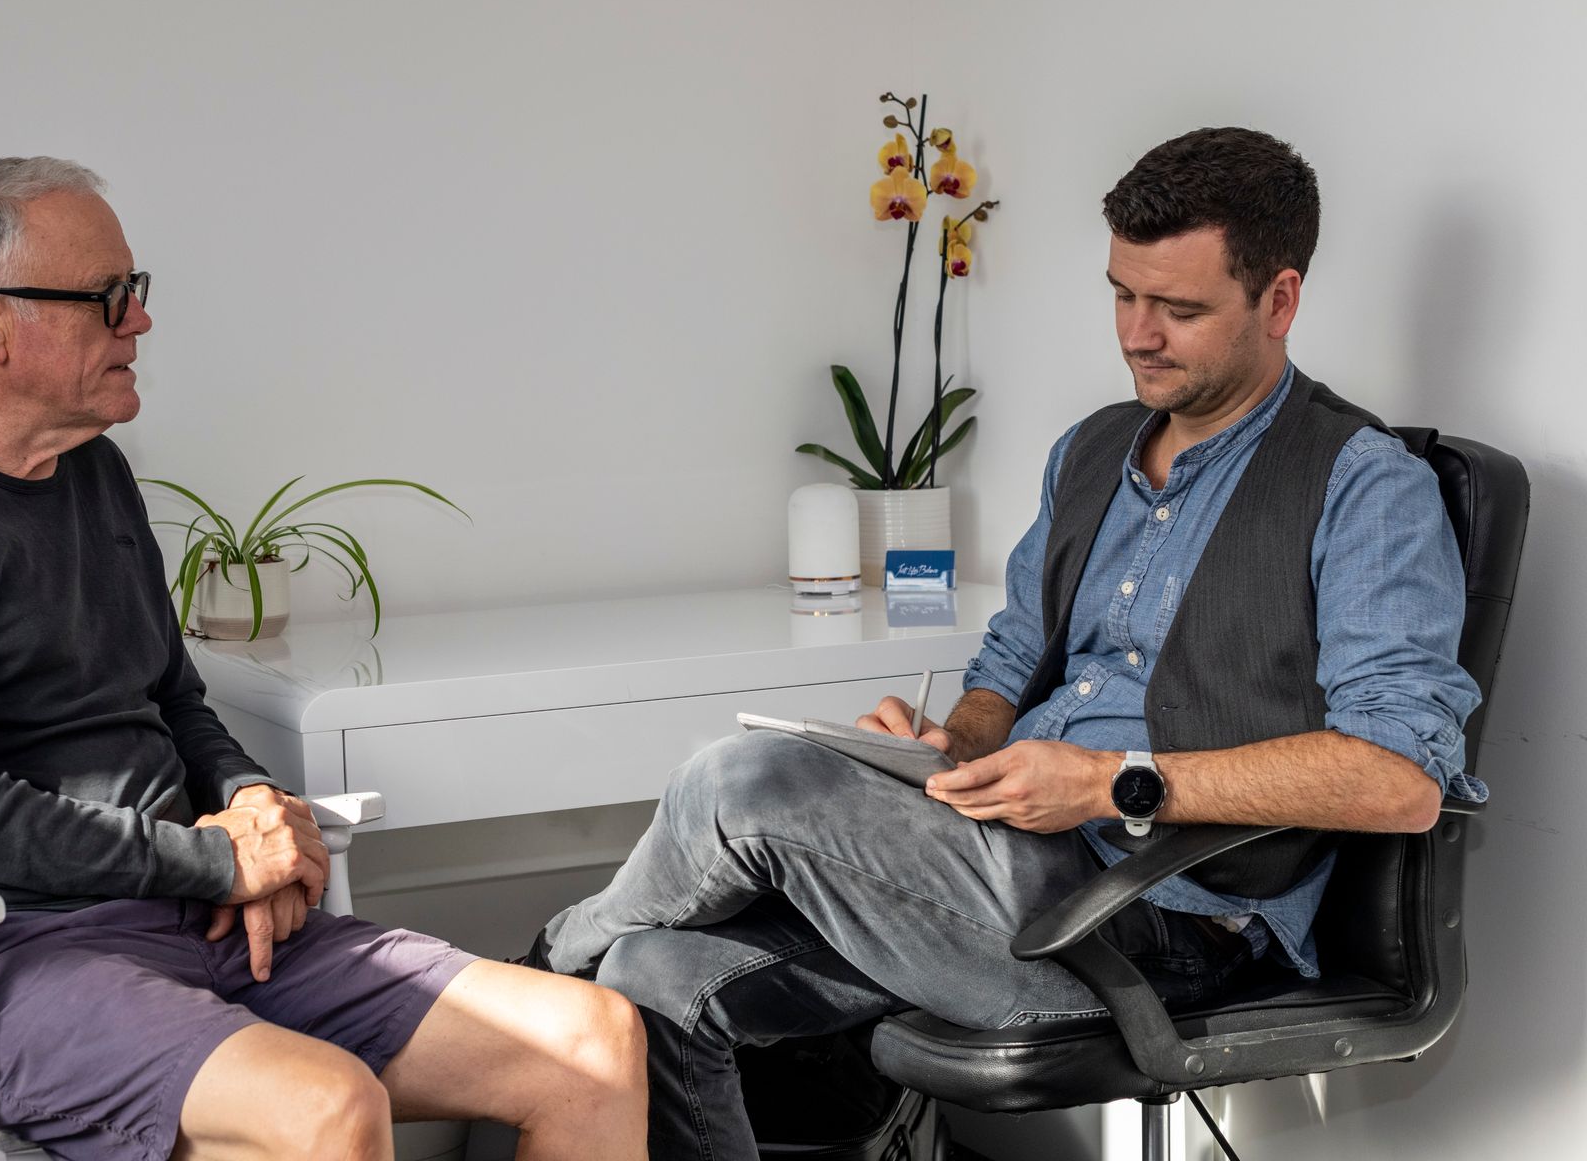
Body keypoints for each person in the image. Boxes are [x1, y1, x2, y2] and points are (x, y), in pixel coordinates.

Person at [526, 127, 1484, 1160]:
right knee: (652, 980)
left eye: (1180, 308)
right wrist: (954, 740)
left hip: (1158, 924)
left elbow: (1400, 778)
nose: (1139, 333)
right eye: (1123, 294)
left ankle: (535, 969)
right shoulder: (1094, 449)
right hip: (1003, 866)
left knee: (740, 784)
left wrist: (1114, 781)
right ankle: (585, 969)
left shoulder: (1364, 483)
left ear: (1279, 301)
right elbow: (1010, 658)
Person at [0, 157, 647, 1161]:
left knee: (595, 1041)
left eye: (134, 293)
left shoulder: (93, 472)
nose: (137, 322)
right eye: (109, 297)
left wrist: (256, 810)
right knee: (325, 1104)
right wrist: (214, 857)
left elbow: (174, 698)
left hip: (186, 916)